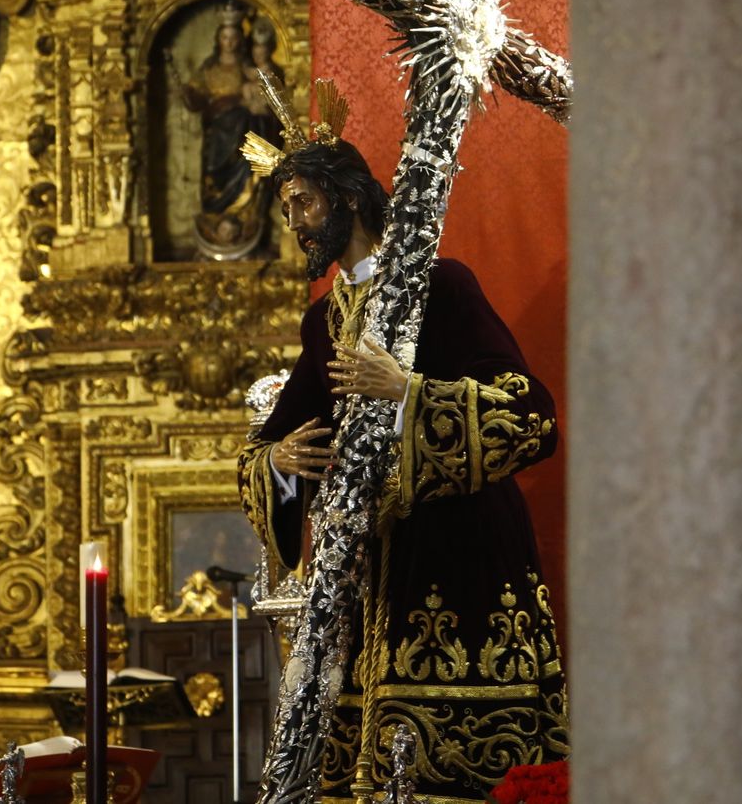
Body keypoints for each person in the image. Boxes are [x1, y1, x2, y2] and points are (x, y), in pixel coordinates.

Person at [237, 132, 568, 804]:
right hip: (368, 584)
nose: (295, 224)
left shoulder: (440, 287)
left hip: (461, 567)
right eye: (288, 210)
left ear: (350, 197)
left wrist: (410, 394)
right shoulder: (323, 321)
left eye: (303, 203)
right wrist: (278, 461)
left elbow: (529, 415)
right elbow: (271, 445)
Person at [175, 1, 277, 255]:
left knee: (247, 176)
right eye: (224, 37)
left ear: (239, 40)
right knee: (212, 174)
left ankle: (245, 217)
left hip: (244, 134)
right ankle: (217, 217)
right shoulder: (209, 70)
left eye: (233, 38)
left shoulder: (247, 68)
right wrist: (187, 94)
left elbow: (264, 95)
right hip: (217, 135)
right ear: (218, 39)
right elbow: (196, 101)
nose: (229, 42)